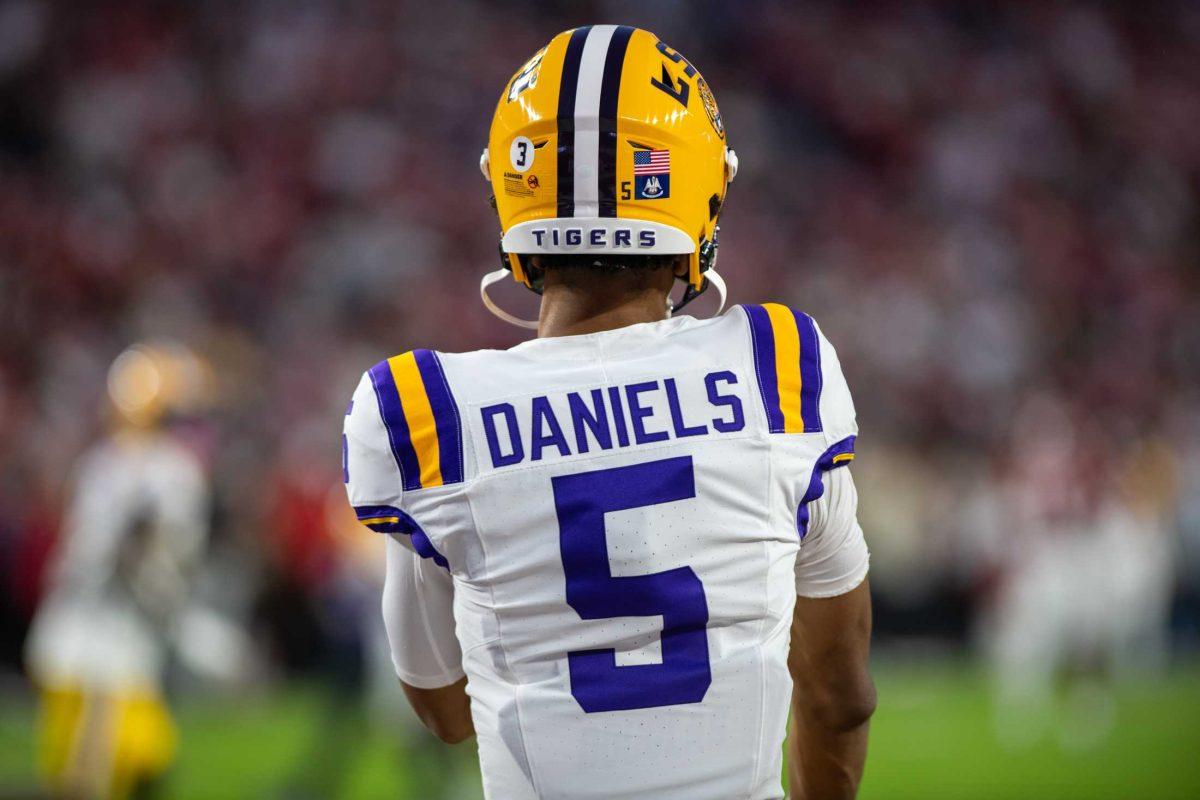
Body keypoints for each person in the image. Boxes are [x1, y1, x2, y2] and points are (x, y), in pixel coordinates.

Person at [343, 25, 874, 800]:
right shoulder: (778, 363)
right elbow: (838, 693)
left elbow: (444, 709)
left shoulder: (426, 411)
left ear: (511, 190)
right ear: (699, 193)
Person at [25, 342, 211, 800]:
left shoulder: (153, 468)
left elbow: (165, 552)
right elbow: (96, 550)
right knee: (88, 763)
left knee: (131, 756)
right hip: (93, 620)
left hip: (119, 621)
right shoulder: (119, 466)